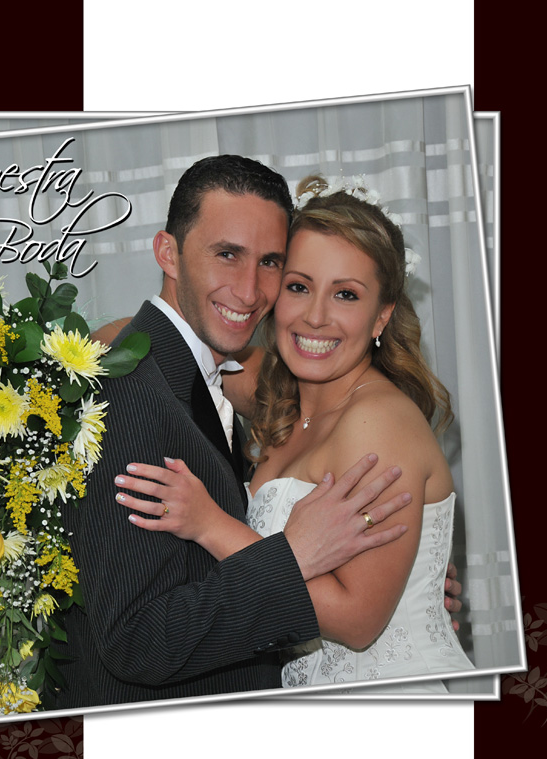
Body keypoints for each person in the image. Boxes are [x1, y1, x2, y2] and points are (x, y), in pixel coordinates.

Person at [53, 156, 413, 709]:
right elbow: (137, 640)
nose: (249, 291)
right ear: (168, 253)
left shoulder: (210, 374)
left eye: (270, 262)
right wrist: (292, 556)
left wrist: (404, 580)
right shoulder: (127, 392)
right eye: (227, 255)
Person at [115, 174, 474, 692]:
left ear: (382, 316)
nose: (316, 317)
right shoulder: (279, 397)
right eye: (299, 287)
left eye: (346, 294)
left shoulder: (378, 420)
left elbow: (358, 621)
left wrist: (210, 525)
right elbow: (157, 339)